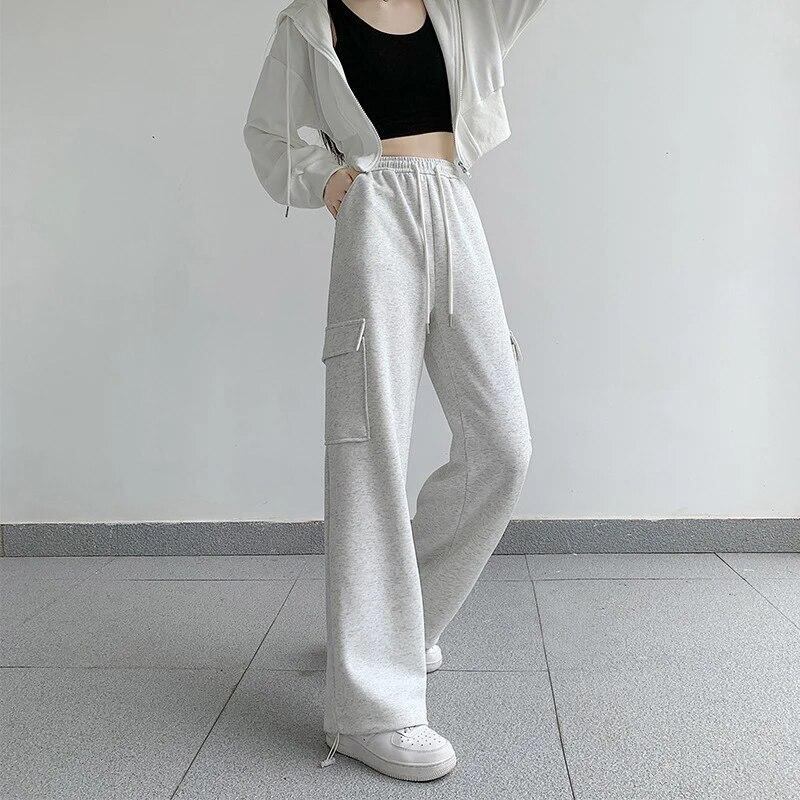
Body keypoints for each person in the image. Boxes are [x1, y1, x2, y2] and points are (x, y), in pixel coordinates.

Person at [244, 0, 546, 782]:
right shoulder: (311, 22)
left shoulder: (460, 9)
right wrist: (327, 179)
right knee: (370, 445)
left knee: (503, 445)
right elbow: (268, 132)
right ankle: (371, 712)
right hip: (375, 209)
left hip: (452, 199)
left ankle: (397, 628)